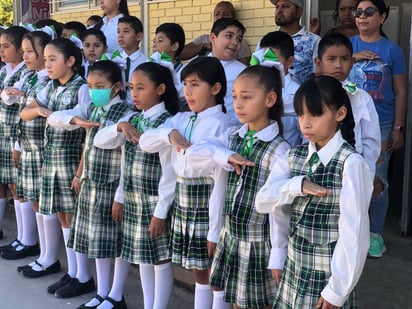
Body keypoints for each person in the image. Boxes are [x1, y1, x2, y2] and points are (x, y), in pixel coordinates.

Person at [256, 75, 372, 309]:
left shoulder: (351, 163)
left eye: (315, 114)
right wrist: (296, 186)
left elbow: (355, 234)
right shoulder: (293, 157)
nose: (305, 123)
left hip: (327, 277)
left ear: (340, 114)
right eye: (300, 114)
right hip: (294, 267)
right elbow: (264, 202)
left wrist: (337, 290)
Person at [186, 64, 290, 309]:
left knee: (260, 302)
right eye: (235, 97)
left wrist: (278, 253)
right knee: (236, 301)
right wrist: (225, 156)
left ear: (270, 99)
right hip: (231, 236)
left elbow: (279, 211)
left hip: (260, 243)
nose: (238, 104)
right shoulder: (232, 137)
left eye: (247, 97)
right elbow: (193, 154)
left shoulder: (279, 149)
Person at [139, 57, 231, 309]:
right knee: (197, 270)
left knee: (213, 272)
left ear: (215, 88)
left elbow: (219, 183)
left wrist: (215, 229)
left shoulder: (222, 125)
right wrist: (167, 134)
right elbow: (145, 142)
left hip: (206, 202)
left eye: (195, 84)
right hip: (183, 199)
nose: (187, 91)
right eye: (185, 84)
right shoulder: (180, 119)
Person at [47, 60, 132, 309]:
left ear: (116, 87)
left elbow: (126, 158)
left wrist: (120, 194)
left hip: (112, 184)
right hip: (91, 182)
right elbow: (80, 137)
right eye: (91, 85)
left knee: (114, 243)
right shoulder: (95, 110)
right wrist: (79, 173)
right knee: (97, 241)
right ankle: (102, 291)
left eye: (101, 86)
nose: (95, 90)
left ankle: (116, 295)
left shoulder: (126, 114)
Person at [94, 62, 179, 309]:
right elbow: (102, 142)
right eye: (132, 87)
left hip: (154, 202)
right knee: (142, 257)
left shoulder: (167, 123)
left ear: (161, 89)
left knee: (160, 260)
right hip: (133, 199)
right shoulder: (132, 119)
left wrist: (161, 212)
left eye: (141, 88)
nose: (134, 94)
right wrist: (120, 126)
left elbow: (169, 173)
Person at [19, 40, 93, 302]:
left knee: (73, 218)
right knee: (63, 216)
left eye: (53, 59)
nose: (47, 64)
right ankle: (73, 272)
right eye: (46, 59)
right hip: (52, 160)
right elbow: (24, 113)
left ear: (70, 61)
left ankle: (83, 276)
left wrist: (81, 171)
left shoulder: (82, 88)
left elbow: (86, 128)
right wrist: (37, 109)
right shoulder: (50, 86)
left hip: (72, 160)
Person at [348, 0, 407, 258]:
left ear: (382, 17)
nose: (362, 17)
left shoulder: (392, 50)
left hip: (381, 123)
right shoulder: (349, 44)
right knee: (349, 177)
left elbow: (401, 90)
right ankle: (353, 233)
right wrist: (353, 58)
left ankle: (375, 234)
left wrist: (399, 127)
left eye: (369, 12)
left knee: (377, 179)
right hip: (348, 122)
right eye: (358, 12)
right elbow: (326, 69)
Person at [0, 31, 51, 261]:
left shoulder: (47, 80)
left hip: (39, 144)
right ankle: (24, 238)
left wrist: (21, 100)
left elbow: (31, 108)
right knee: (24, 192)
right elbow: (10, 98)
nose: (26, 55)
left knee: (34, 195)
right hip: (22, 140)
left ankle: (37, 246)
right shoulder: (30, 76)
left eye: (31, 51)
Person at [315, 33, 380, 175]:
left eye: (344, 59)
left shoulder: (361, 98)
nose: (338, 65)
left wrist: (365, 174)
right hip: (316, 168)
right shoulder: (310, 95)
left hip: (353, 168)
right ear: (319, 63)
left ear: (352, 62)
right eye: (331, 59)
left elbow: (371, 141)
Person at [0, 26, 29, 245]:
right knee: (3, 182)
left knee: (15, 184)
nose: (1, 51)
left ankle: (25, 237)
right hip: (2, 132)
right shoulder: (4, 70)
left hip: (14, 134)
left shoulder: (24, 74)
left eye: (6, 46)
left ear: (21, 50)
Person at [257, 30, 301, 146]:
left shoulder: (298, 94)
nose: (267, 64)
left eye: (272, 59)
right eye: (264, 59)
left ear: (290, 62)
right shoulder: (255, 88)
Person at [180, 1, 251, 66]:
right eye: (217, 14)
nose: (220, 17)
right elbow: (180, 54)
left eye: (225, 14)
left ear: (233, 18)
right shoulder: (204, 39)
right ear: (212, 37)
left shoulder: (240, 43)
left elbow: (245, 69)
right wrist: (203, 46)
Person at [268, 0, 320, 85]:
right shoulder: (267, 41)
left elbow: (319, 77)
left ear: (299, 12)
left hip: (302, 97)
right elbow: (257, 72)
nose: (279, 11)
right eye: (277, 6)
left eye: (285, 6)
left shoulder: (314, 41)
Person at [209, 18, 247, 125]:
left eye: (239, 39)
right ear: (213, 37)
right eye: (229, 36)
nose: (235, 42)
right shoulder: (197, 65)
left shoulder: (243, 73)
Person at [117, 16, 148, 107]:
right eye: (118, 31)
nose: (120, 35)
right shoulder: (113, 61)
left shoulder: (146, 63)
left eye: (126, 31)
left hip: (138, 109)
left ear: (138, 36)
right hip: (117, 109)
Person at [151, 22, 186, 101]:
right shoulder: (150, 66)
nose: (154, 45)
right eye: (154, 41)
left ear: (174, 46)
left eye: (160, 41)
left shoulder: (184, 72)